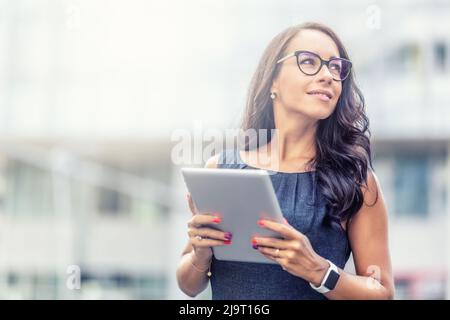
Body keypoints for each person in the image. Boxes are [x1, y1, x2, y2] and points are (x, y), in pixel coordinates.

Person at [176, 22, 395, 300]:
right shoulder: (221, 169)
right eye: (308, 61)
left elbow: (382, 294)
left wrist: (318, 270)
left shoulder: (356, 181)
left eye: (335, 67)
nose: (328, 75)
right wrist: (201, 252)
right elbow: (189, 285)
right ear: (273, 81)